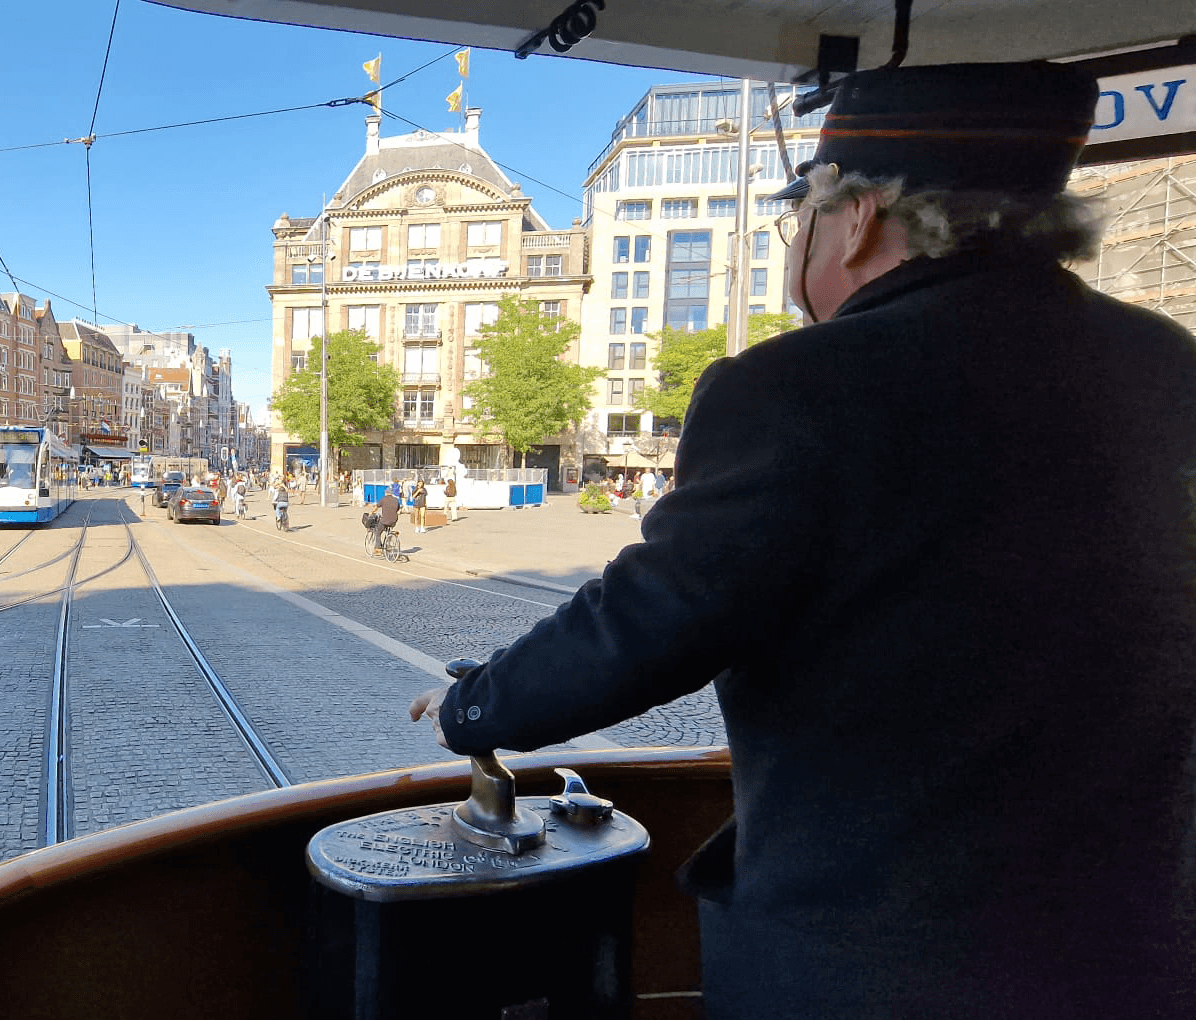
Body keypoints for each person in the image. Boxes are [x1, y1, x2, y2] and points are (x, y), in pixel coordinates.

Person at [408, 63, 1195, 1020]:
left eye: (800, 222)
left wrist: (476, 707)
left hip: (881, 962)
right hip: (1146, 947)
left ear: (855, 217)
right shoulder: (1167, 361)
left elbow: (655, 615)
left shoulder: (798, 385)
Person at [370, 485, 400, 554]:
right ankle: (389, 541)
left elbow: (376, 507)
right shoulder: (396, 500)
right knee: (388, 530)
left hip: (385, 520)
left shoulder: (383, 499)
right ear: (392, 493)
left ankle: (378, 548)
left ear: (386, 493)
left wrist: (371, 512)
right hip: (394, 520)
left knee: (377, 532)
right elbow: (398, 509)